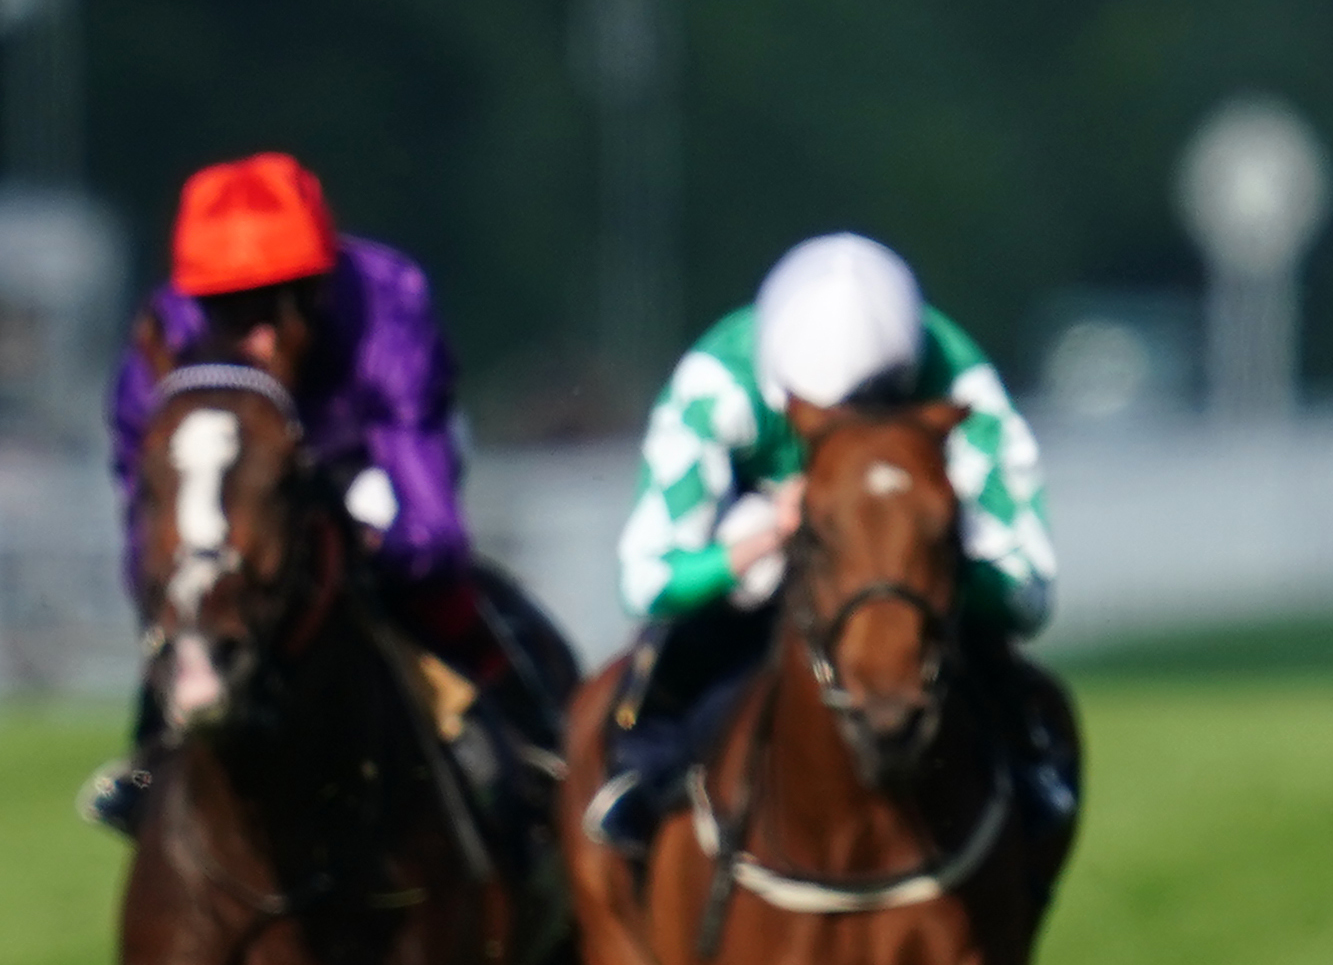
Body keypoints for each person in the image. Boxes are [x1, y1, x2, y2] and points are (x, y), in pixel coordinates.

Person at [89, 153, 559, 837]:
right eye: (229, 306)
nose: (254, 331)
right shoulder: (166, 336)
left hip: (363, 461)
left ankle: (527, 729)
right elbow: (145, 507)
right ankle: (149, 754)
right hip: (246, 484)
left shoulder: (389, 302)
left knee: (427, 583)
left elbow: (432, 524)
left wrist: (375, 549)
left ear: (317, 285)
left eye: (276, 301)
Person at [587, 233, 1072, 853]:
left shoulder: (961, 385)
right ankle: (641, 773)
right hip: (761, 547)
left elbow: (1027, 592)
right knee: (692, 628)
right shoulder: (715, 384)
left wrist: (925, 555)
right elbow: (647, 582)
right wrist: (766, 539)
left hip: (909, 562)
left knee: (971, 638)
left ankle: (1029, 771)